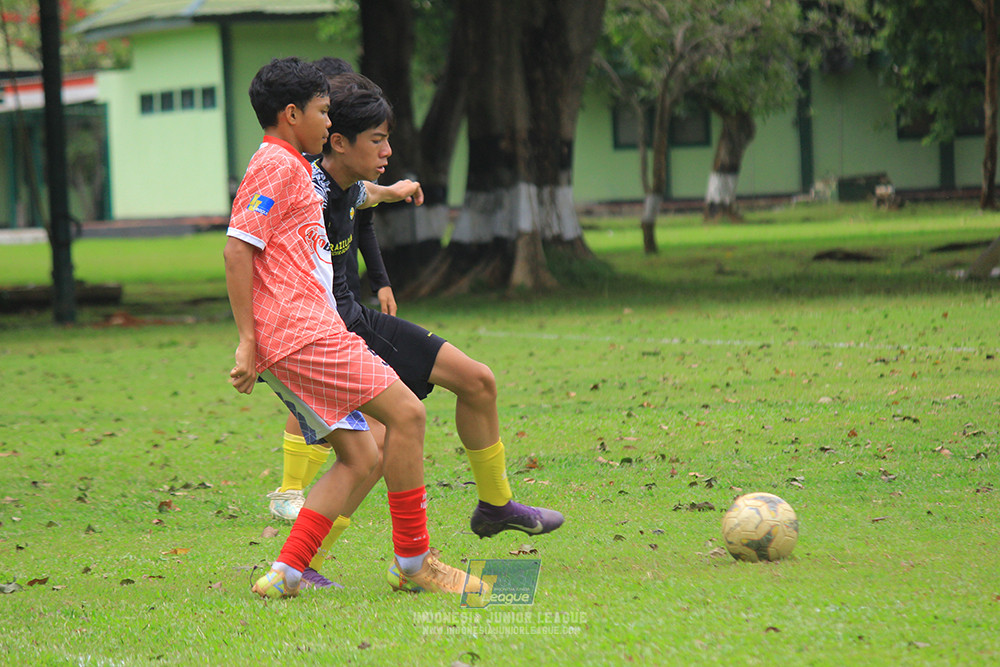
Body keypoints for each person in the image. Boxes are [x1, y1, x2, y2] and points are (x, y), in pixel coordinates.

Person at [265, 68, 564, 590]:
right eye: (378, 140)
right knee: (375, 447)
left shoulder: (343, 183)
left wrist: (394, 190)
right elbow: (252, 240)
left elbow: (362, 196)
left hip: (357, 319)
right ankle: (360, 564)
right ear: (338, 140)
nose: (387, 149)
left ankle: (494, 505)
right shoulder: (304, 188)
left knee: (477, 382)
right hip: (333, 331)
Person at [224, 56, 486, 598]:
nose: (329, 123)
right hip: (305, 333)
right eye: (323, 113)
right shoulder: (275, 164)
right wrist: (248, 340)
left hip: (300, 335)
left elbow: (346, 194)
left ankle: (286, 573)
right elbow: (237, 247)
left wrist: (389, 192)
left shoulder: (296, 167)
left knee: (363, 454)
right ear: (292, 114)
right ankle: (416, 562)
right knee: (408, 414)